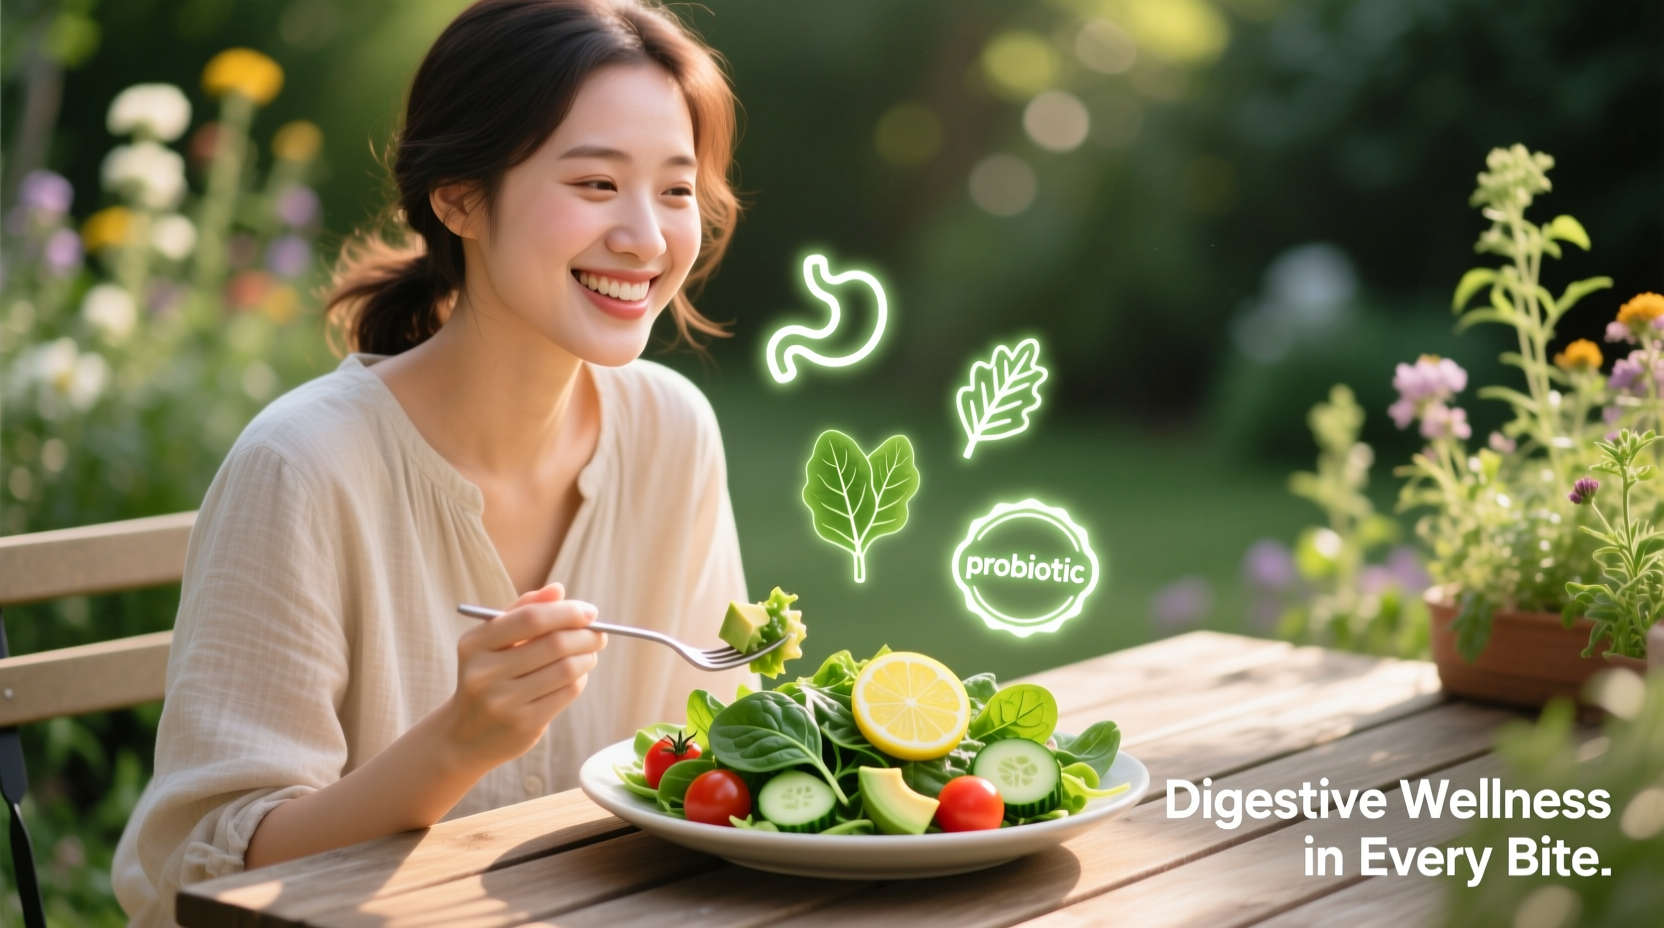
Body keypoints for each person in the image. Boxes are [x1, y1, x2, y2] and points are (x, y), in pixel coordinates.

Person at [113, 1, 754, 921]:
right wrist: (459, 741)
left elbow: (715, 754)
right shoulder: (303, 466)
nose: (647, 238)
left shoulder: (672, 432)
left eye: (677, 189)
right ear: (458, 199)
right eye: (597, 184)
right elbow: (206, 874)